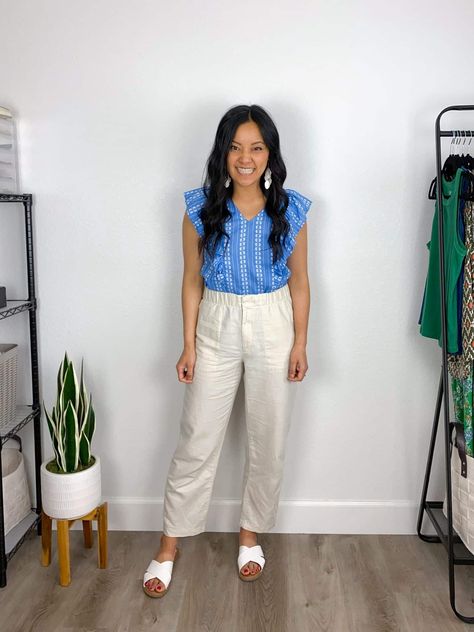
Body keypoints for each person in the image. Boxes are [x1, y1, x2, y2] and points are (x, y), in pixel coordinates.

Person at [143, 104, 312, 598]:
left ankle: (249, 535)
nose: (246, 157)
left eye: (256, 147)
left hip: (273, 322)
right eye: (236, 147)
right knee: (197, 437)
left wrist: (300, 341)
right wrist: (188, 343)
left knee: (268, 436)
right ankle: (169, 545)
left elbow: (300, 282)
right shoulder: (199, 208)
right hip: (215, 322)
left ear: (270, 155)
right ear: (223, 153)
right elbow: (191, 280)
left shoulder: (291, 209)